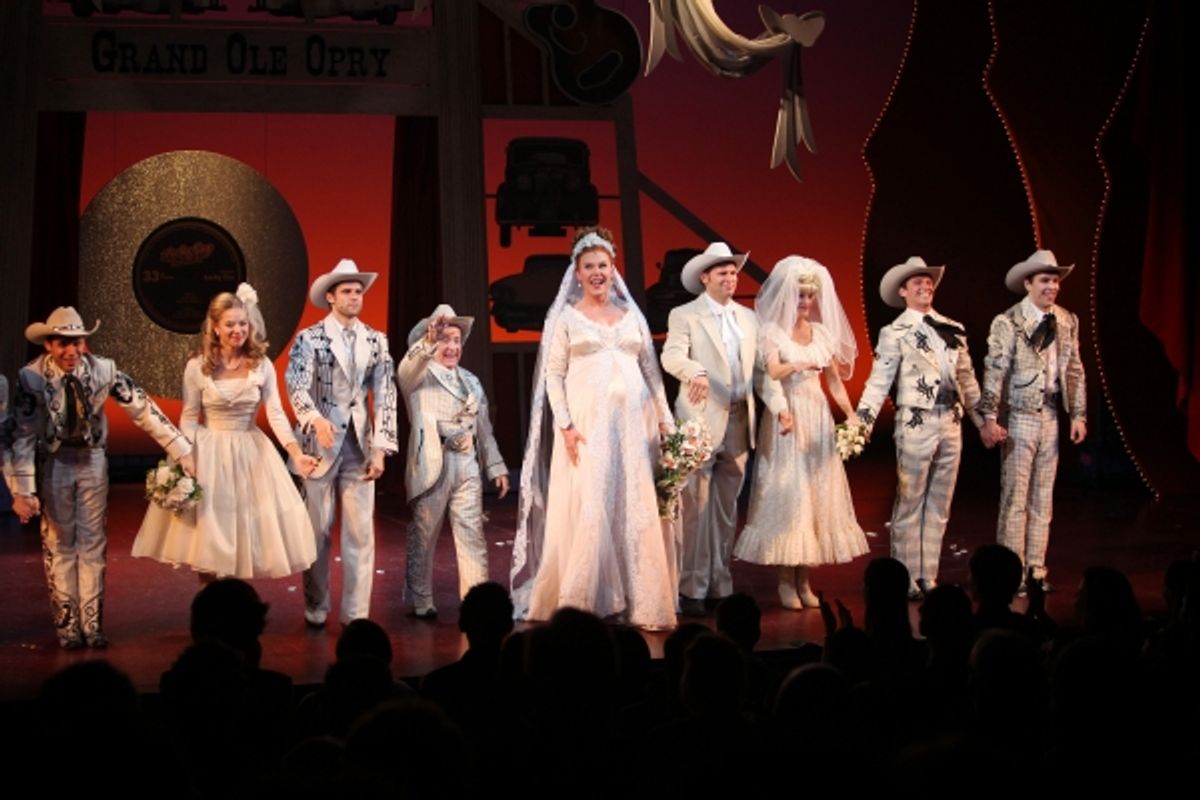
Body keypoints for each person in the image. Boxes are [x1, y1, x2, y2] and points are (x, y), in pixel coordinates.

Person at [510, 226, 677, 630]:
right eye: (589, 266)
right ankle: (585, 599)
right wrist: (565, 424)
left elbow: (651, 372)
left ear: (613, 267)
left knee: (632, 503)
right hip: (585, 428)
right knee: (591, 501)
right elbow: (553, 375)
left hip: (633, 430)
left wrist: (665, 419)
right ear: (577, 272)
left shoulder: (631, 315)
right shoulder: (567, 318)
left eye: (603, 264)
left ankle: (642, 598)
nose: (597, 272)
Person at [11, 307, 195, 648]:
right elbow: (21, 435)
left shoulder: (104, 370)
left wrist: (181, 449)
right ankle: (69, 628)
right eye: (62, 343)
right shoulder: (31, 378)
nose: (70, 351)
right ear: (48, 345)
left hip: (92, 458)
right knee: (60, 541)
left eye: (77, 342)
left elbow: (142, 408)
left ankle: (92, 626)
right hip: (55, 460)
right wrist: (22, 491)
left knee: (93, 541)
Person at [132, 285, 319, 578]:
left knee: (246, 536)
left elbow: (275, 413)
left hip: (250, 455)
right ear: (215, 327)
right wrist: (186, 454)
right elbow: (190, 416)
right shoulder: (197, 366)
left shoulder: (261, 364)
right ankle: (210, 610)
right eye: (230, 324)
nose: (238, 330)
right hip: (209, 454)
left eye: (242, 323)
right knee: (208, 540)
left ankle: (233, 609)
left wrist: (296, 453)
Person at [734, 257, 870, 608]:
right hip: (788, 418)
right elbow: (771, 372)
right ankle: (784, 580)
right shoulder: (772, 332)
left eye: (809, 296)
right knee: (790, 495)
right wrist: (796, 364)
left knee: (814, 496)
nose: (805, 303)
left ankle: (804, 579)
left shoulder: (822, 333)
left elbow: (835, 383)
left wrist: (850, 414)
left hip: (817, 418)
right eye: (799, 296)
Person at [661, 242, 782, 616]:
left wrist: (780, 408)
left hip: (738, 420)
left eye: (733, 272)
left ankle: (720, 580)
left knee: (726, 508)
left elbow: (762, 371)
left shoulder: (748, 319)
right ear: (704, 277)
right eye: (722, 272)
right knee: (695, 506)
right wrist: (693, 370)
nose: (730, 278)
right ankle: (692, 586)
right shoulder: (685, 315)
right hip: (700, 420)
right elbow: (671, 354)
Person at [855, 257, 984, 599]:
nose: (925, 286)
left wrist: (984, 421)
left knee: (940, 503)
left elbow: (967, 380)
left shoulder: (952, 327)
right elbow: (879, 379)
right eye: (917, 283)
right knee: (910, 501)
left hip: (950, 421)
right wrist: (863, 420)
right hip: (916, 422)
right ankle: (906, 576)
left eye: (928, 282)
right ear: (903, 291)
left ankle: (929, 574)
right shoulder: (894, 332)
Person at [286, 258, 399, 627]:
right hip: (319, 446)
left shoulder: (376, 340)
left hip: (358, 447)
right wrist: (314, 419)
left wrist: (381, 447)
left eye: (358, 291)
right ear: (331, 298)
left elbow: (385, 395)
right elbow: (296, 387)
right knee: (317, 533)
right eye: (347, 291)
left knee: (360, 533)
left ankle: (357, 614)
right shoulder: (309, 338)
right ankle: (316, 607)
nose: (355, 297)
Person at [978, 250, 1086, 591]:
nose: (1052, 287)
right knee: (1015, 498)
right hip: (1020, 415)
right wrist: (990, 417)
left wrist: (1079, 414)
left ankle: (1036, 569)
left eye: (1055, 281)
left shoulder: (1067, 320)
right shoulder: (1009, 321)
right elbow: (995, 371)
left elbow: (1074, 369)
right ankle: (1011, 572)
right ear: (1028, 283)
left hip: (1051, 414)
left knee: (1043, 497)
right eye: (1045, 280)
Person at [398, 304, 510, 619]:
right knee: (424, 532)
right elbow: (404, 371)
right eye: (445, 339)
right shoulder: (418, 377)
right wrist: (427, 342)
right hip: (432, 465)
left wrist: (496, 467)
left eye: (457, 340)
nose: (452, 347)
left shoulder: (471, 381)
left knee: (471, 531)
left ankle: (476, 599)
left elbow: (484, 429)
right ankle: (421, 601)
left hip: (466, 464)